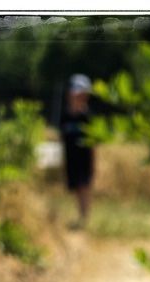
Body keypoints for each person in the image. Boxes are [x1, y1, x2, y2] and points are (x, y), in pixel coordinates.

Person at [59, 74, 95, 227]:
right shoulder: (65, 116)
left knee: (83, 188)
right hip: (71, 158)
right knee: (76, 189)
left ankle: (84, 219)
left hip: (84, 159)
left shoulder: (87, 116)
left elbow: (93, 142)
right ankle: (82, 216)